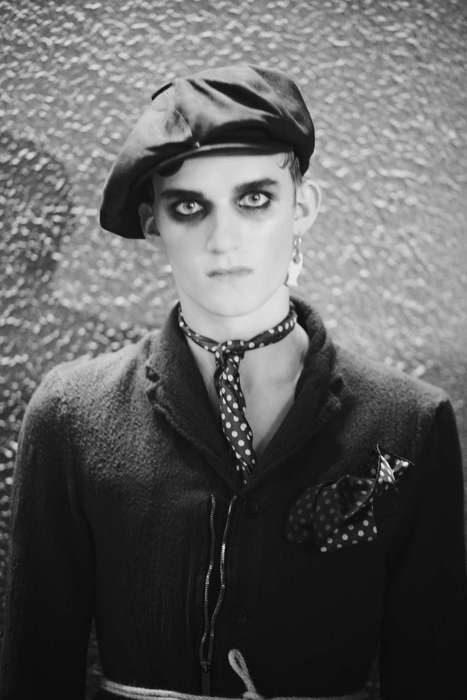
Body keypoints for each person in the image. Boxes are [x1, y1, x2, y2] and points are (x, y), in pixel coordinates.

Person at [0, 65, 466, 700]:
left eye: (255, 199)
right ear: (152, 221)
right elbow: (34, 668)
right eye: (189, 206)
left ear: (302, 207)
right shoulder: (71, 415)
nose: (223, 240)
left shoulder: (409, 422)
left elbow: (434, 668)